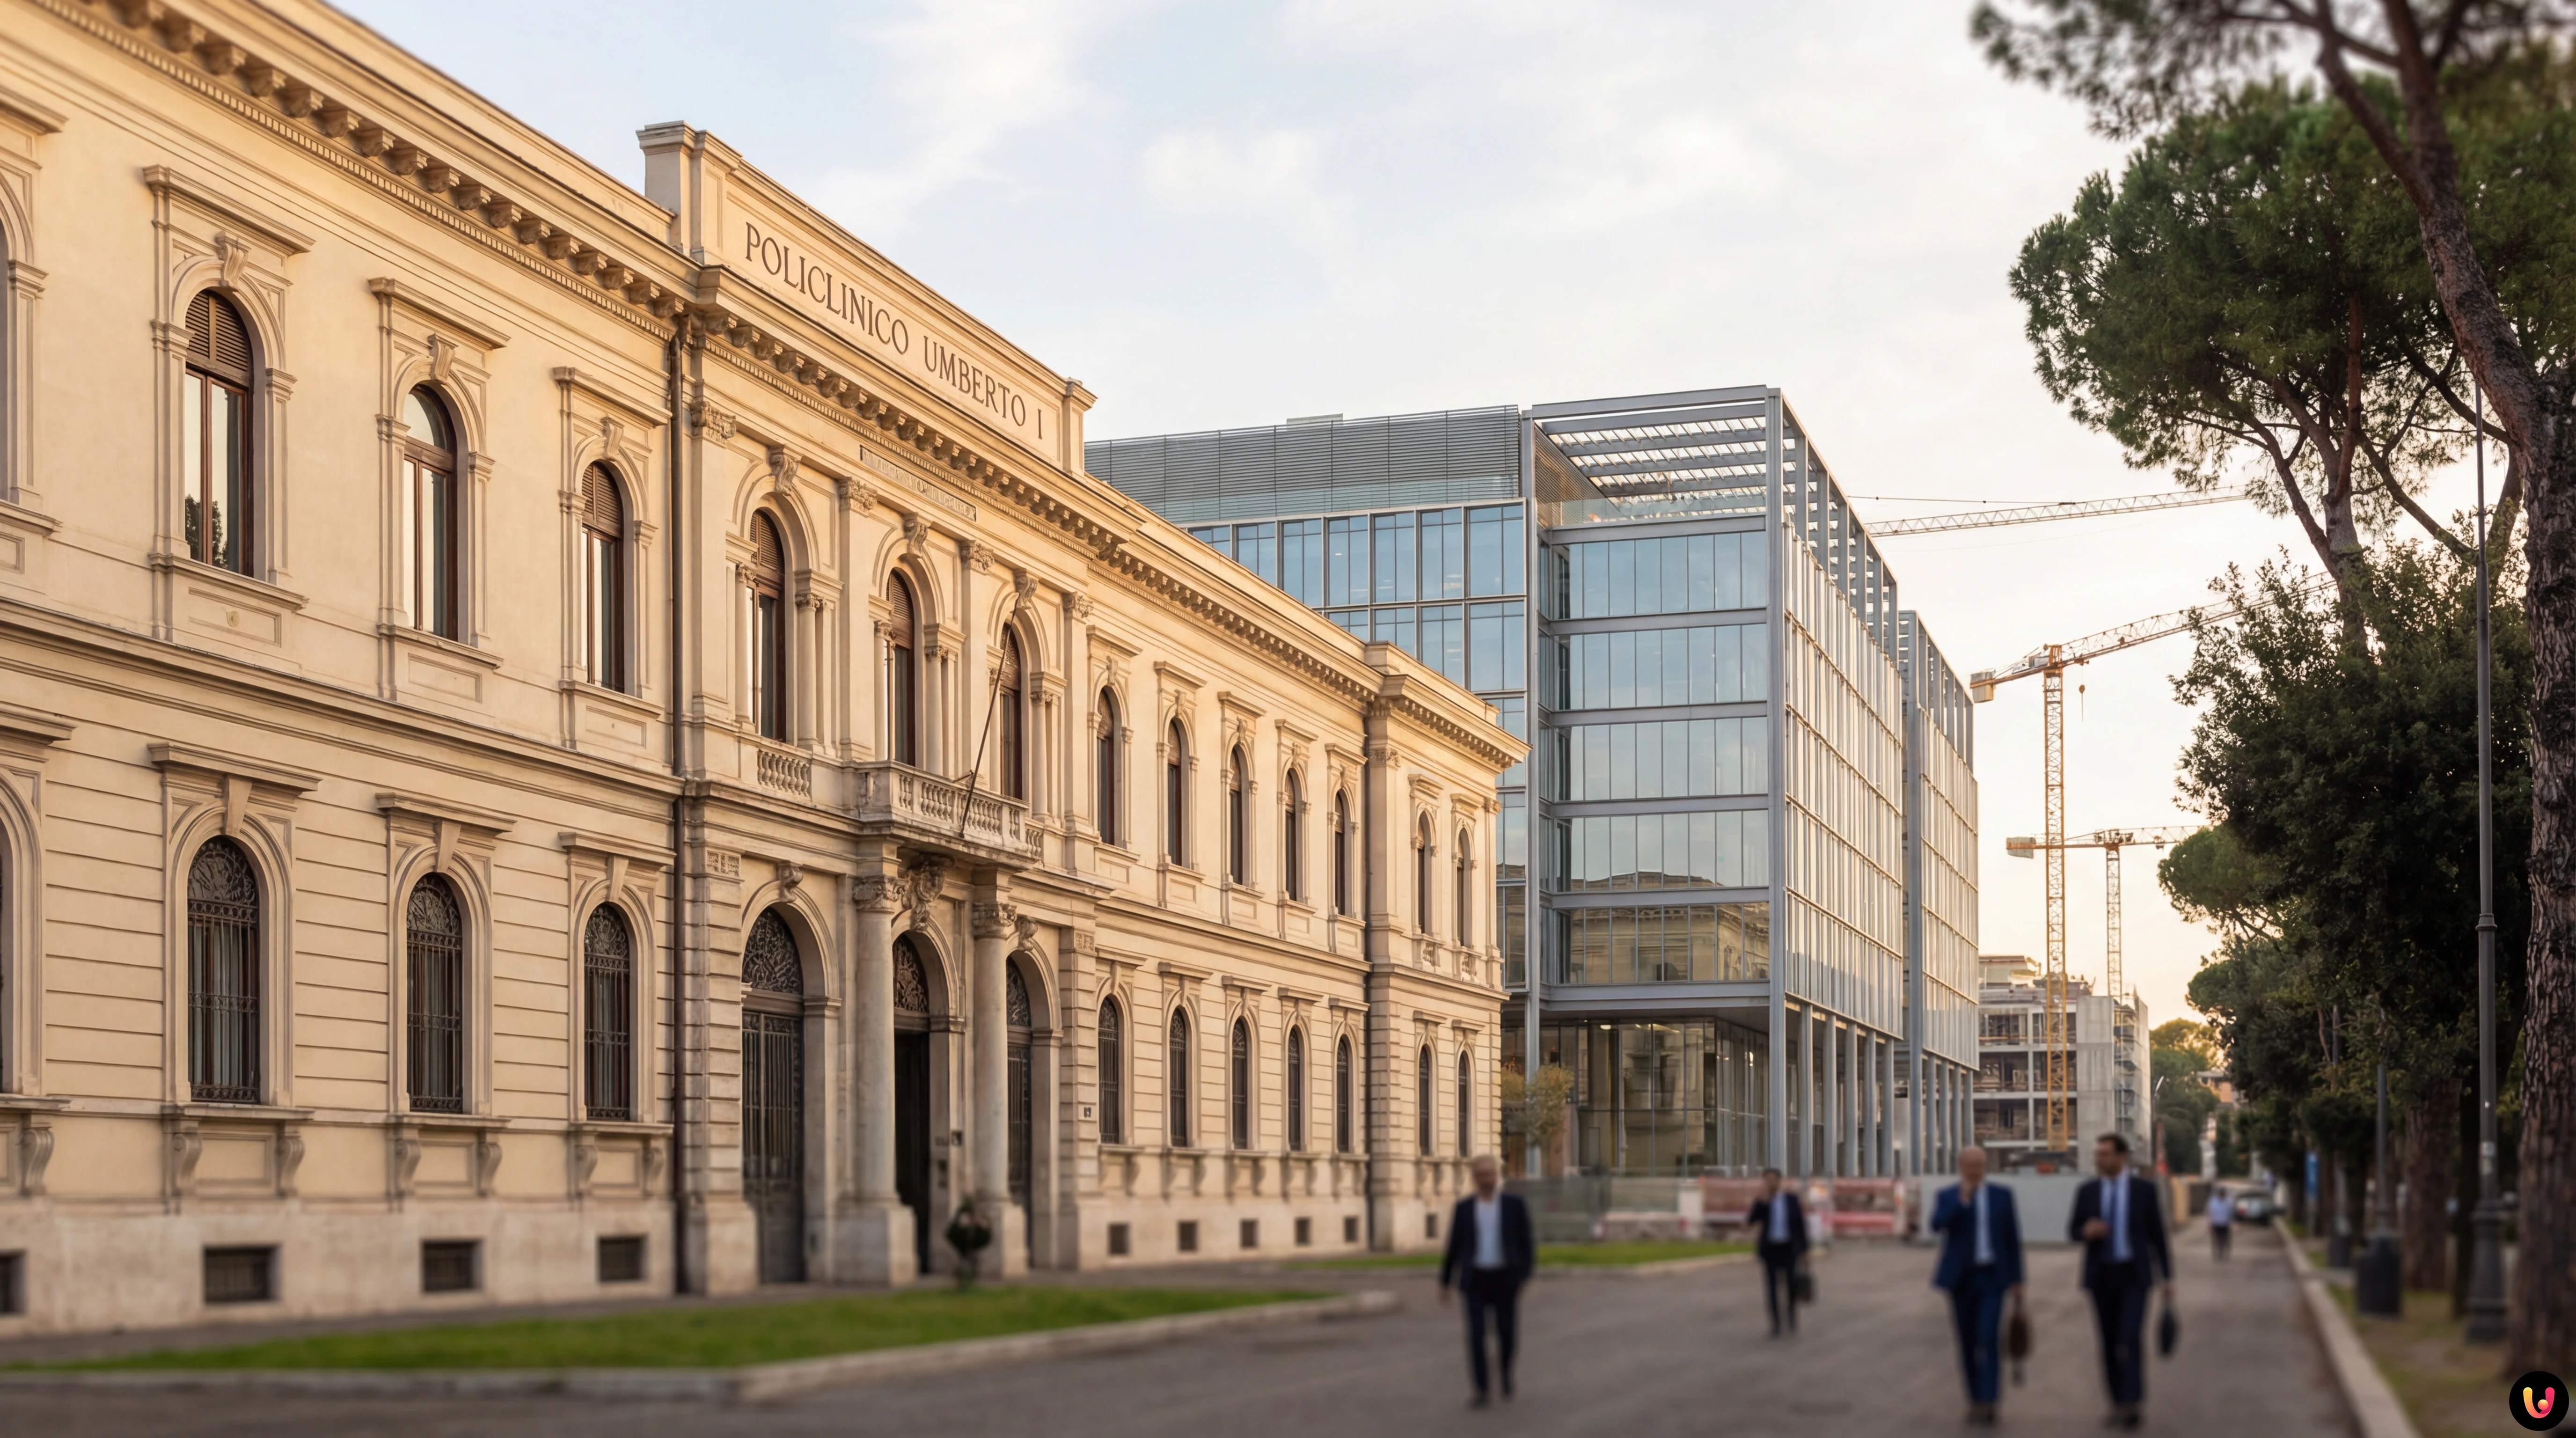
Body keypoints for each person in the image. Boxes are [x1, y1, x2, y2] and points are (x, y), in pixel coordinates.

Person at [2068, 1132, 2174, 1430]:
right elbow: (2073, 1230)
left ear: (2120, 1157)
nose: (2099, 1160)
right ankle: (2116, 1403)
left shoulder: (2143, 1191)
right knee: (2109, 1343)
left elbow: (2158, 1236)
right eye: (2097, 1155)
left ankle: (2133, 1403)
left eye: (2105, 1154)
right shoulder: (2088, 1191)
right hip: (2101, 1276)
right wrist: (2086, 1232)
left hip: (2134, 1276)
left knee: (2130, 1337)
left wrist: (2167, 1277)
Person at [1930, 1145, 2026, 1427]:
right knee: (1968, 1342)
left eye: (1979, 1165)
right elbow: (1937, 1225)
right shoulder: (1948, 1196)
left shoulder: (2002, 1197)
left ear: (1985, 1166)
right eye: (1970, 1165)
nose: (1975, 1170)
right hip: (1961, 1281)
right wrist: (1963, 1200)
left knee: (1988, 1338)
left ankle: (1990, 1401)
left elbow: (2012, 1239)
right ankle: (1974, 1400)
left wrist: (2019, 1280)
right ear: (1960, 1166)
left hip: (1992, 1279)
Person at [1438, 1153, 1535, 1408]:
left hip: (1505, 1279)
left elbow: (1527, 1244)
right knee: (1476, 1336)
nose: (1486, 1180)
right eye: (1481, 1175)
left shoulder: (1514, 1205)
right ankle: (1481, 1390)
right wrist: (1445, 1283)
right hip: (1475, 1281)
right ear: (1475, 1178)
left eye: (1490, 1174)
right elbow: (1454, 1248)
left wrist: (1524, 1275)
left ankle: (1505, 1375)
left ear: (1497, 1176)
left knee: (1507, 1334)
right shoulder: (1464, 1209)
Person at [1745, 1167, 1809, 1336]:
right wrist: (1760, 1203)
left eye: (1772, 1179)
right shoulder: (1763, 1200)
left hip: (1789, 1249)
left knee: (1791, 1286)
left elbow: (1800, 1226)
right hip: (1770, 1250)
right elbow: (1751, 1221)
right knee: (1772, 1288)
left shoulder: (1791, 1199)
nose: (1769, 1183)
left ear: (1780, 1181)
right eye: (1766, 1180)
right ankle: (1776, 1324)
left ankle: (1791, 1318)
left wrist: (1805, 1251)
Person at [2206, 1187, 2234, 1261]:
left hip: (2225, 1223)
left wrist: (2231, 1222)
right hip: (2216, 1223)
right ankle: (2218, 1253)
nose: (2222, 1195)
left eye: (2223, 1194)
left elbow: (2231, 1213)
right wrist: (2210, 1223)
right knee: (2216, 1239)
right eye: (2221, 1194)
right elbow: (2210, 1213)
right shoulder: (2213, 1202)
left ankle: (2224, 1252)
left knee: (2225, 1239)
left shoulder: (2228, 1202)